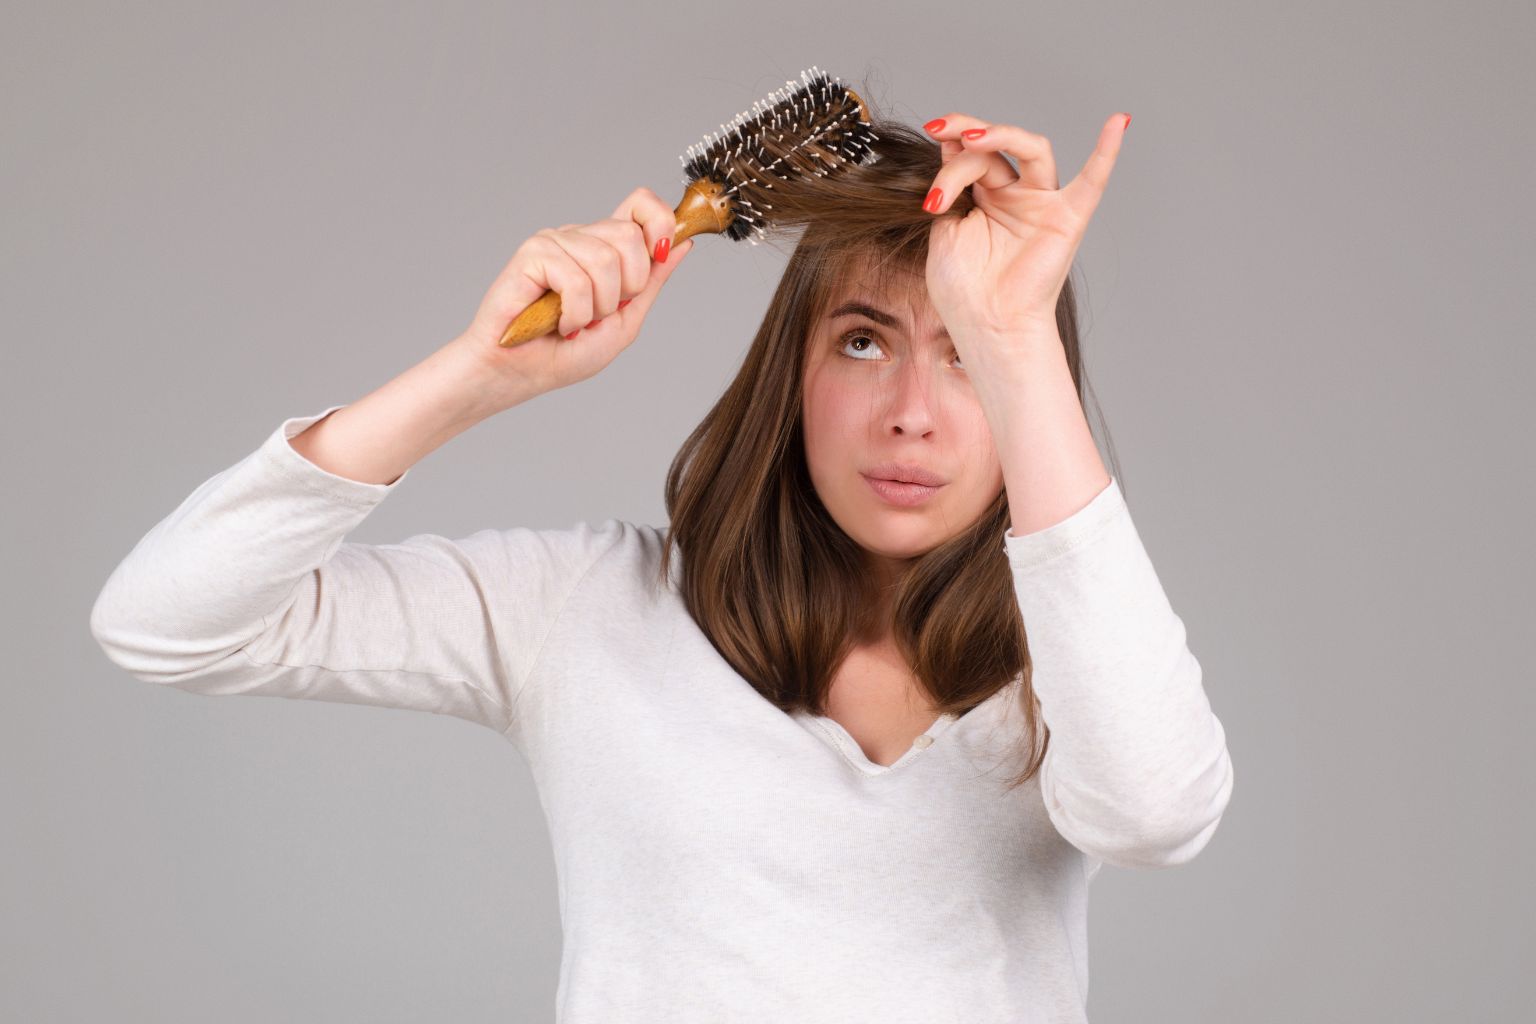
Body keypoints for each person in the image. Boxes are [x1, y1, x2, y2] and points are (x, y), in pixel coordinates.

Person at [91, 108, 1234, 1023]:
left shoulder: (1080, 662)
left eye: (966, 360)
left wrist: (1017, 337)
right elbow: (167, 620)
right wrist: (478, 376)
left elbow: (1154, 814)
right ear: (791, 370)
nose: (913, 417)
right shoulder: (586, 610)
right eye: (864, 341)